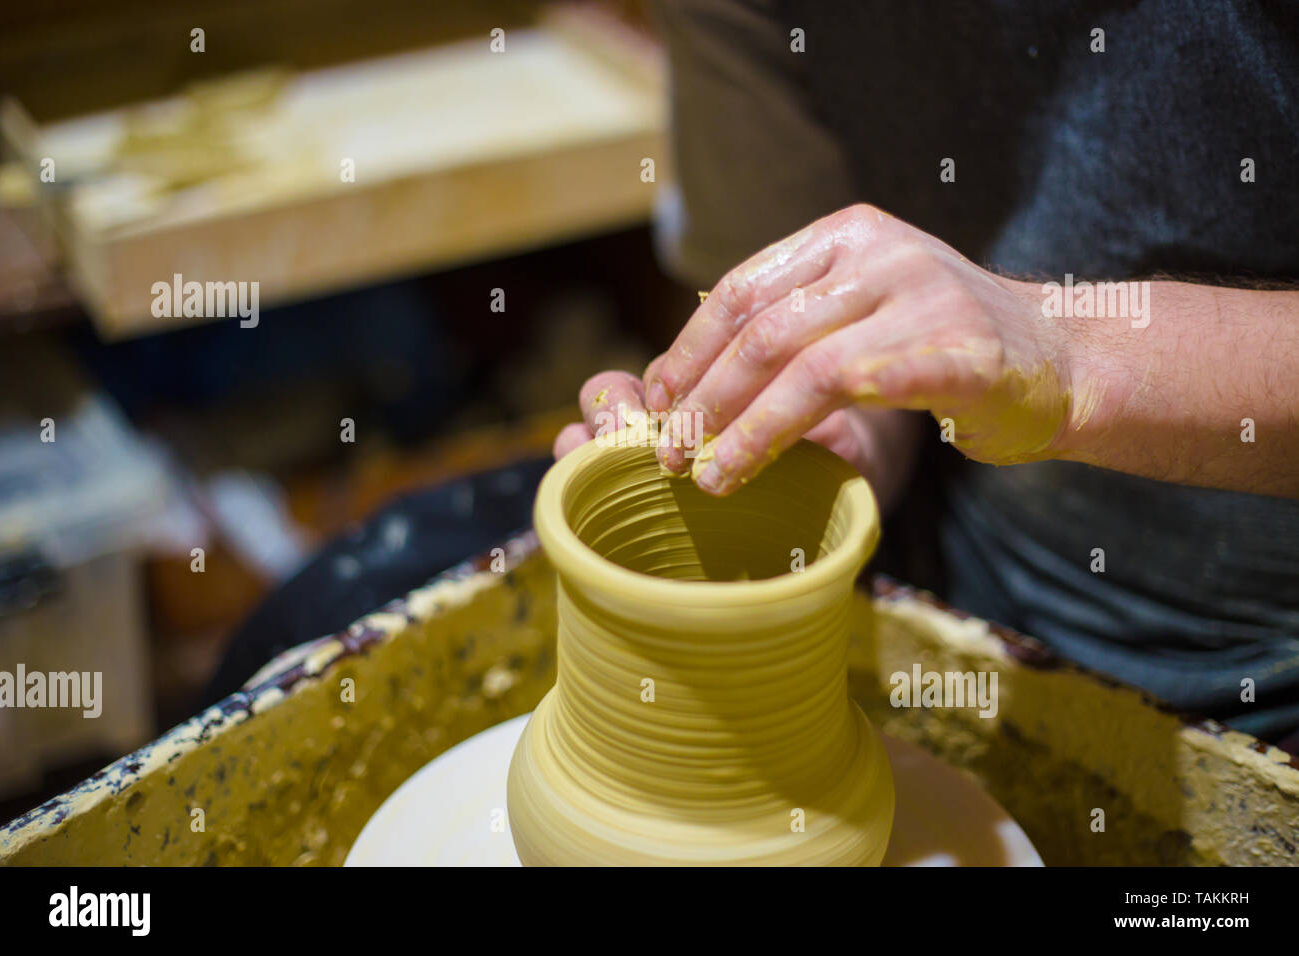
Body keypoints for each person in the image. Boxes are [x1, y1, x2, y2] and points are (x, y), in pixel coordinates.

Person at [555, 0, 1299, 745]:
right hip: (961, 572)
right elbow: (827, 316)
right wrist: (822, 435)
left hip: (1266, 656)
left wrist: (1065, 356)